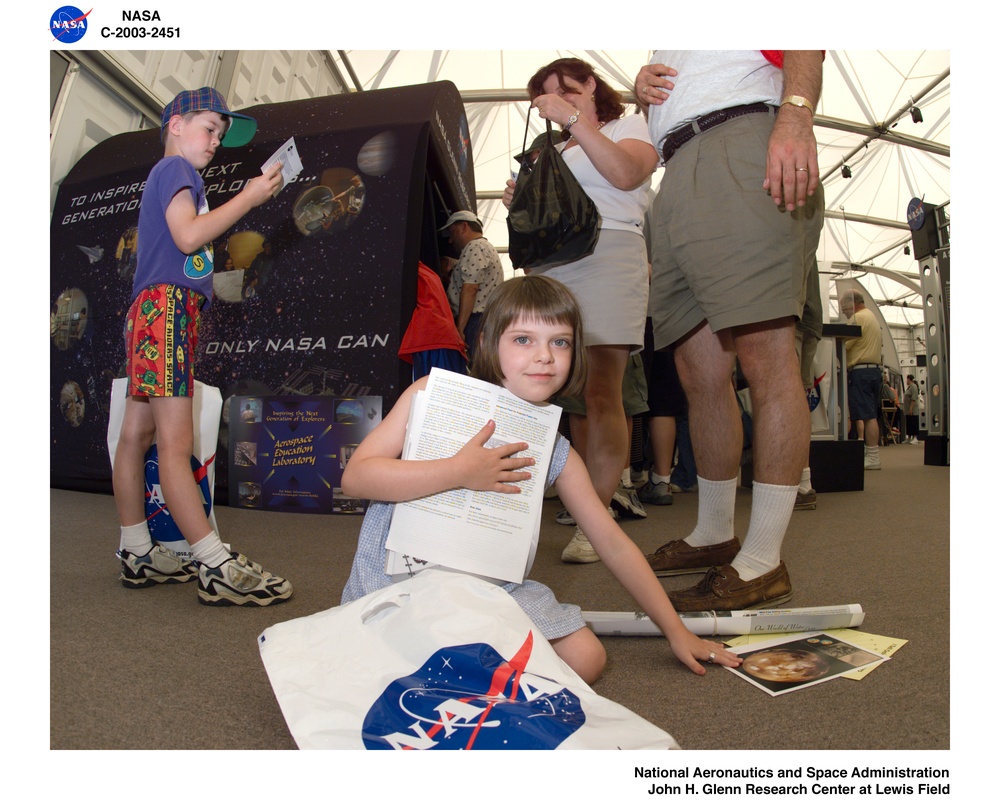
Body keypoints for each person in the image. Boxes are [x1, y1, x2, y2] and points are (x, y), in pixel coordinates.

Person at [340, 275, 741, 683]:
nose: (545, 356)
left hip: (492, 589)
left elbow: (613, 544)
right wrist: (457, 471)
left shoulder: (555, 449)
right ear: (487, 344)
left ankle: (446, 674)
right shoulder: (430, 395)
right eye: (523, 339)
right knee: (388, 656)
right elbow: (356, 478)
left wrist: (676, 631)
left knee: (586, 657)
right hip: (397, 583)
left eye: (560, 342)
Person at [634, 51, 825, 611]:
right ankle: (715, 533)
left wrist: (795, 116)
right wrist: (642, 89)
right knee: (698, 371)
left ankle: (764, 561)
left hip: (741, 140)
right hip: (678, 165)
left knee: (766, 356)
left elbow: (803, 39)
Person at [113, 86, 292, 606]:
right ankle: (214, 564)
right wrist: (250, 199)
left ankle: (136, 549)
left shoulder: (173, 178)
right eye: (209, 129)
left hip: (156, 310)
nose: (216, 142)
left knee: (136, 436)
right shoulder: (176, 172)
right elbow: (189, 238)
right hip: (164, 310)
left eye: (219, 134)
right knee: (174, 444)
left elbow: (184, 251)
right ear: (175, 124)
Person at [503, 57, 659, 564]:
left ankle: (596, 520)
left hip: (609, 256)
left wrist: (574, 121)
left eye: (566, 90)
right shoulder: (552, 149)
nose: (556, 101)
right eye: (546, 95)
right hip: (552, 266)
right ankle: (562, 504)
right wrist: (520, 200)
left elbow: (626, 173)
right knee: (559, 393)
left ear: (591, 84)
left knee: (602, 389)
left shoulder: (626, 125)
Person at [439, 210, 504, 363]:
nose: (450, 240)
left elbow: (470, 288)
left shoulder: (475, 247)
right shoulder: (485, 247)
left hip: (475, 320)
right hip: (483, 319)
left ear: (464, 226)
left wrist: (460, 329)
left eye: (452, 232)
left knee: (477, 368)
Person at [840, 289, 883, 469]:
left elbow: (843, 344)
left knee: (867, 416)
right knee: (870, 414)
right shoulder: (872, 316)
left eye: (844, 308)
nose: (844, 312)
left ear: (852, 304)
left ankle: (873, 456)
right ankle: (870, 452)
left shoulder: (858, 319)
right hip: (873, 371)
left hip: (860, 372)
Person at [903, 374, 920, 444]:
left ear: (909, 379)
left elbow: (913, 398)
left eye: (907, 379)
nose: (906, 381)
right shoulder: (909, 387)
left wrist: (911, 408)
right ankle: (909, 437)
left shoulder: (914, 387)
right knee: (909, 422)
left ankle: (915, 437)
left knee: (913, 422)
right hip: (907, 409)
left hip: (912, 409)